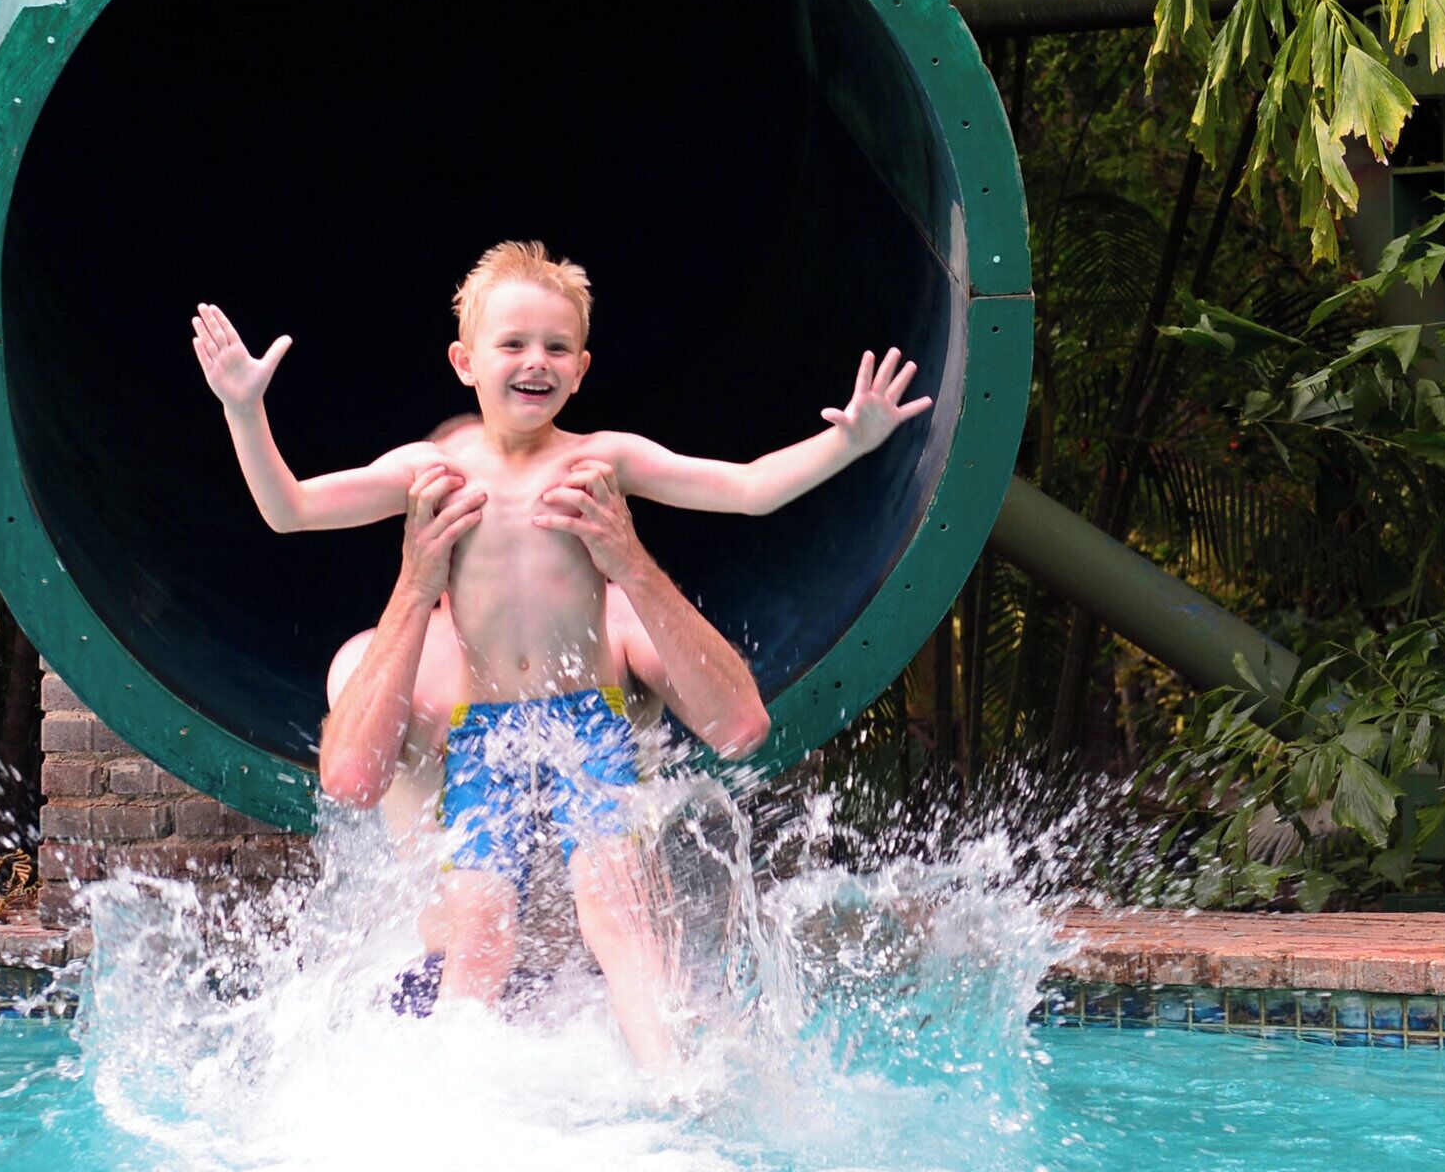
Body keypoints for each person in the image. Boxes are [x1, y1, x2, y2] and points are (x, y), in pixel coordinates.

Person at [191, 241, 927, 1063]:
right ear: (464, 361)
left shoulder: (599, 459)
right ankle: (451, 1094)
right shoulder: (431, 471)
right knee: (478, 933)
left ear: (580, 367)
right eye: (512, 344)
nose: (534, 362)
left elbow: (750, 488)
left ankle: (671, 1079)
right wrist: (243, 408)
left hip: (588, 722)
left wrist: (852, 443)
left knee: (612, 906)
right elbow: (289, 509)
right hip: (483, 733)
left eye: (555, 347)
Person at [318, 450, 768, 1043]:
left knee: (683, 1038)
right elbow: (351, 780)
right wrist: (412, 584)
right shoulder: (386, 657)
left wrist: (633, 565)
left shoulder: (617, 627)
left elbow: (741, 728)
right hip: (453, 983)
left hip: (612, 988)